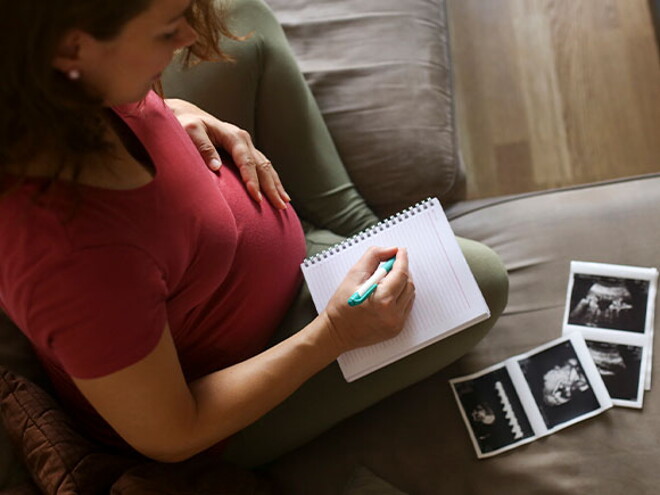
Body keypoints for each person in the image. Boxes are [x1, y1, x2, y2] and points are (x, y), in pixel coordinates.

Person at [0, 0, 508, 469]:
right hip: (230, 388)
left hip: (227, 252)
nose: (189, 34)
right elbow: (173, 434)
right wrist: (333, 334)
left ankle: (355, 228)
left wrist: (173, 113)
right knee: (482, 278)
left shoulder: (60, 83)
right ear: (71, 48)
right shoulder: (73, 260)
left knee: (242, 15)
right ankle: (354, 241)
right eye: (166, 30)